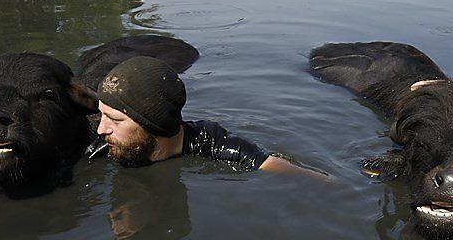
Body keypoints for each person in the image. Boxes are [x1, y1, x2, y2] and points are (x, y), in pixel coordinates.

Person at [93, 56, 324, 176]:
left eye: (115, 120)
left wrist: (345, 188)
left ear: (153, 123)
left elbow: (268, 163)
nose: (101, 129)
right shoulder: (94, 146)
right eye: (101, 115)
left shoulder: (208, 141)